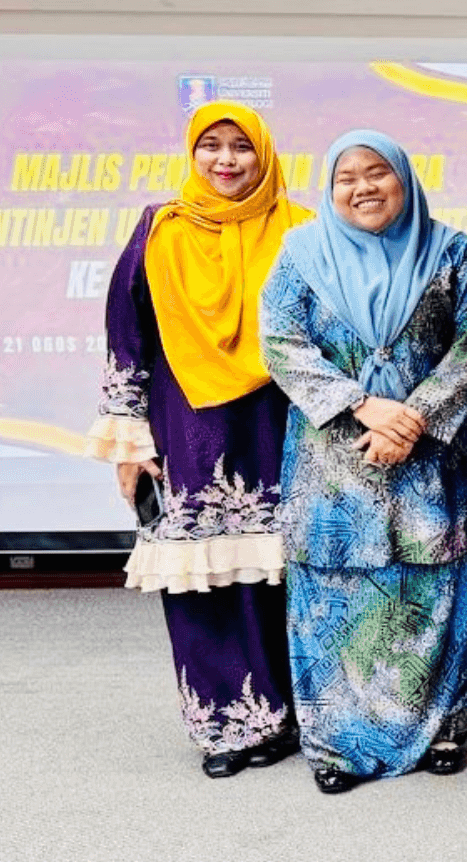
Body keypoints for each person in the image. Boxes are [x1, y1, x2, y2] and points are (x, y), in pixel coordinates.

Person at [261, 131, 467, 793]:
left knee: (437, 591)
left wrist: (412, 418)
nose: (363, 187)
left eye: (377, 172)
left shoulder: (453, 253)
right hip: (333, 463)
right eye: (347, 178)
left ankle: (444, 728)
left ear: (404, 179)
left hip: (431, 461)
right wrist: (363, 406)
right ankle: (336, 747)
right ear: (330, 190)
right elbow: (280, 343)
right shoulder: (300, 255)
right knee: (333, 598)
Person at [83, 101, 311, 777]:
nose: (225, 160)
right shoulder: (160, 228)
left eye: (241, 146)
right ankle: (229, 726)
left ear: (263, 154)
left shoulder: (299, 228)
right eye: (210, 146)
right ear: (192, 154)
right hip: (186, 433)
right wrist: (130, 443)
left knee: (286, 578)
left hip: (284, 426)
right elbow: (126, 334)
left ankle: (298, 714)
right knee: (199, 586)